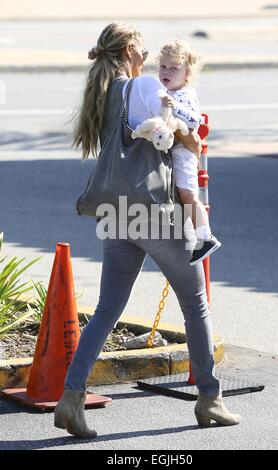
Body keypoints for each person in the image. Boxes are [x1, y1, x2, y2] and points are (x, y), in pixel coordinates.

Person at [54, 22, 241, 438]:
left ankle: (70, 398)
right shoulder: (139, 88)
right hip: (155, 211)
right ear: (128, 50)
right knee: (195, 307)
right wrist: (191, 139)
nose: (147, 54)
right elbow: (176, 135)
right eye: (142, 47)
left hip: (117, 213)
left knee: (106, 311)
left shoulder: (101, 93)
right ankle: (210, 398)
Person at [158, 40, 221, 265]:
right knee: (179, 194)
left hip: (184, 152)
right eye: (163, 66)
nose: (167, 72)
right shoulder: (165, 91)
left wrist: (174, 106)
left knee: (188, 194)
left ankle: (206, 237)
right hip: (173, 150)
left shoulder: (184, 95)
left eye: (174, 68)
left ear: (187, 74)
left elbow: (195, 119)